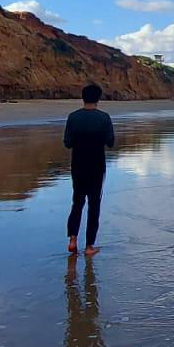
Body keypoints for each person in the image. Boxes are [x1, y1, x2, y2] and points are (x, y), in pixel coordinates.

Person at [64, 84, 115, 256]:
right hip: (97, 166)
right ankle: (89, 246)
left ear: (83, 97)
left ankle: (72, 239)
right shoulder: (104, 118)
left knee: (77, 203)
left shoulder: (73, 117)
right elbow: (110, 142)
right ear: (98, 98)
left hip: (77, 166)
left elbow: (68, 143)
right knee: (94, 206)